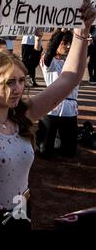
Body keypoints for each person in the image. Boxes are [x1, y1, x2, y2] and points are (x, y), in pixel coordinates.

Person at [0, 0, 95, 230]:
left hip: (21, 212)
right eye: (8, 82)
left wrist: (82, 30)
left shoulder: (23, 115)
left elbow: (68, 80)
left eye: (20, 80)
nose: (17, 88)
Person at [36, 29, 82, 158]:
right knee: (45, 152)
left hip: (70, 111)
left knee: (69, 152)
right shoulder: (48, 62)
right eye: (64, 43)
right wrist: (61, 32)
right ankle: (47, 139)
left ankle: (58, 139)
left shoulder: (74, 63)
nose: (67, 46)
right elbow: (50, 52)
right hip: (51, 109)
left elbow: (83, 52)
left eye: (70, 44)